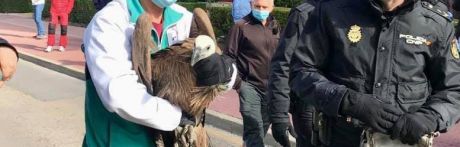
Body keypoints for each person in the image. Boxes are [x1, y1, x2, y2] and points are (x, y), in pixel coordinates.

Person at [290, 0, 460, 146]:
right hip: (340, 139)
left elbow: (453, 89)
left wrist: (429, 117)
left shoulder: (436, 23)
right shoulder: (332, 12)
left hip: (403, 143)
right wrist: (347, 101)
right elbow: (301, 71)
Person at [82, 0, 193, 146]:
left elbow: (215, 73)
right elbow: (119, 95)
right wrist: (178, 115)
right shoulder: (109, 20)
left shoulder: (184, 18)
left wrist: (223, 74)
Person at [225, 0, 280, 146]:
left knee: (261, 130)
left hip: (271, 88)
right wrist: (239, 84)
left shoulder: (275, 27)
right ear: (251, 5)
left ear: (272, 7)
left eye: (264, 7)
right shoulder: (241, 27)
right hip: (249, 86)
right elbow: (229, 57)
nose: (260, 9)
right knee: (253, 129)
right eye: (257, 6)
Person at [266, 0, 318, 147]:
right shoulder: (304, 14)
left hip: (348, 114)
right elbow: (283, 64)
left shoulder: (359, 13)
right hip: (309, 109)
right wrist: (279, 115)